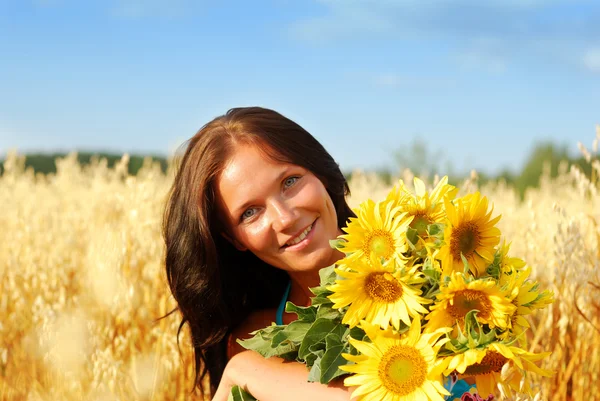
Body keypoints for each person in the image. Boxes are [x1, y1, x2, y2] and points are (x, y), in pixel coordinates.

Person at [162, 106, 357, 401]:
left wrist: (247, 371)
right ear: (234, 239)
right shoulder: (255, 340)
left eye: (290, 181)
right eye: (250, 213)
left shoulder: (424, 269)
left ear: (321, 174)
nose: (285, 218)